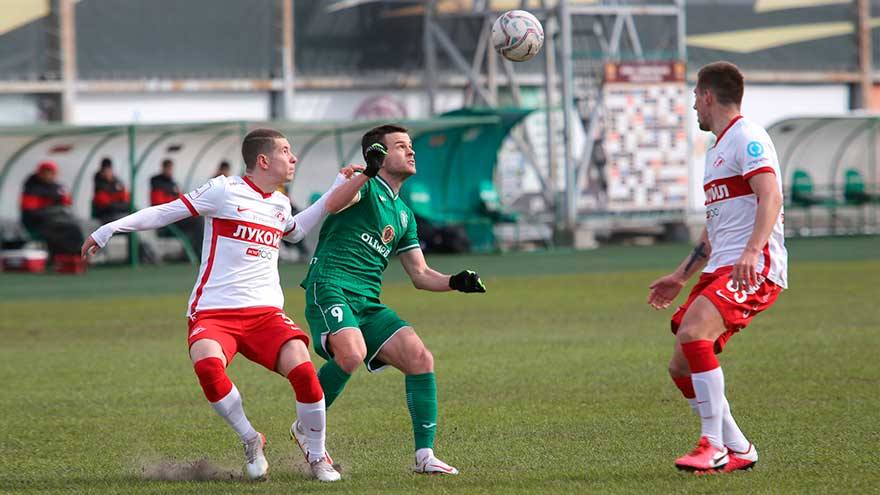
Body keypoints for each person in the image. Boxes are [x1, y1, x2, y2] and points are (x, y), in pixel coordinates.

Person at [82, 128, 360, 482]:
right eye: (286, 151)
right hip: (214, 312)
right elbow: (165, 212)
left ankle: (318, 458)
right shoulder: (223, 190)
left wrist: (338, 186)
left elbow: (294, 230)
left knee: (305, 373)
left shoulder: (279, 202)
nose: (293, 158)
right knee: (209, 369)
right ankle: (250, 438)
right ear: (263, 160)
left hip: (266, 315)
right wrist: (109, 229)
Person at [299, 124, 487, 475]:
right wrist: (364, 173)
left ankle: (425, 456)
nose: (411, 152)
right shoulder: (361, 183)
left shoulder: (403, 214)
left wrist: (455, 282)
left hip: (367, 300)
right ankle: (308, 431)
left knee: (419, 357)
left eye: (410, 146)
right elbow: (333, 204)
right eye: (401, 146)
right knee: (351, 353)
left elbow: (420, 274)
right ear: (379, 156)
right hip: (330, 285)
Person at [647, 62, 787, 474]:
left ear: (708, 96)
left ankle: (713, 445)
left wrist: (751, 251)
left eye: (694, 97)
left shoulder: (748, 136)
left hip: (752, 267)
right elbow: (715, 228)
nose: (693, 107)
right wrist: (680, 275)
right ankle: (738, 447)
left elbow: (771, 196)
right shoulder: (718, 150)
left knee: (694, 333)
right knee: (680, 364)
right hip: (721, 267)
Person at [20, 160, 84, 261]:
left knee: (74, 226)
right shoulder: (32, 188)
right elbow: (31, 212)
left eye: (53, 173)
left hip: (54, 220)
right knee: (66, 229)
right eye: (48, 172)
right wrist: (52, 210)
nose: (51, 175)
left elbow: (67, 202)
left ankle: (75, 257)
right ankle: (61, 258)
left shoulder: (56, 187)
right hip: (37, 223)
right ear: (41, 173)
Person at [150, 158, 203, 257]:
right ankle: (198, 251)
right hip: (167, 220)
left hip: (176, 217)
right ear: (163, 168)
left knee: (199, 218)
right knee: (198, 221)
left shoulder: (173, 184)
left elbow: (181, 199)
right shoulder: (157, 185)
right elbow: (159, 206)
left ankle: (197, 250)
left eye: (171, 169)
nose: (170, 171)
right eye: (168, 169)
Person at [92, 158, 130, 223]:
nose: (108, 173)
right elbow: (107, 205)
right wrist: (121, 205)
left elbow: (125, 197)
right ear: (102, 172)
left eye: (109, 170)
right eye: (105, 171)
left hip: (117, 212)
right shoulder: (99, 186)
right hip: (105, 216)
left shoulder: (117, 183)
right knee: (127, 219)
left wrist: (124, 204)